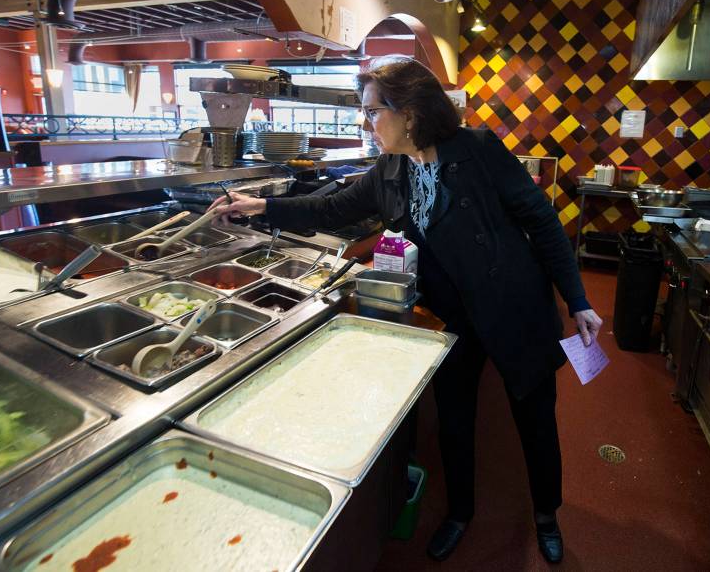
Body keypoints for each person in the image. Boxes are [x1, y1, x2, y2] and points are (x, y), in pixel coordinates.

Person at [211, 56, 599, 564]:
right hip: (450, 318)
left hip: (512, 308)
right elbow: (333, 208)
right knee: (455, 422)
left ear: (410, 113)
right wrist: (263, 207)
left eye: (372, 112)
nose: (364, 123)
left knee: (535, 419)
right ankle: (460, 511)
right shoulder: (391, 167)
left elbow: (543, 222)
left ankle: (546, 514)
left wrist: (579, 300)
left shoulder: (477, 151)